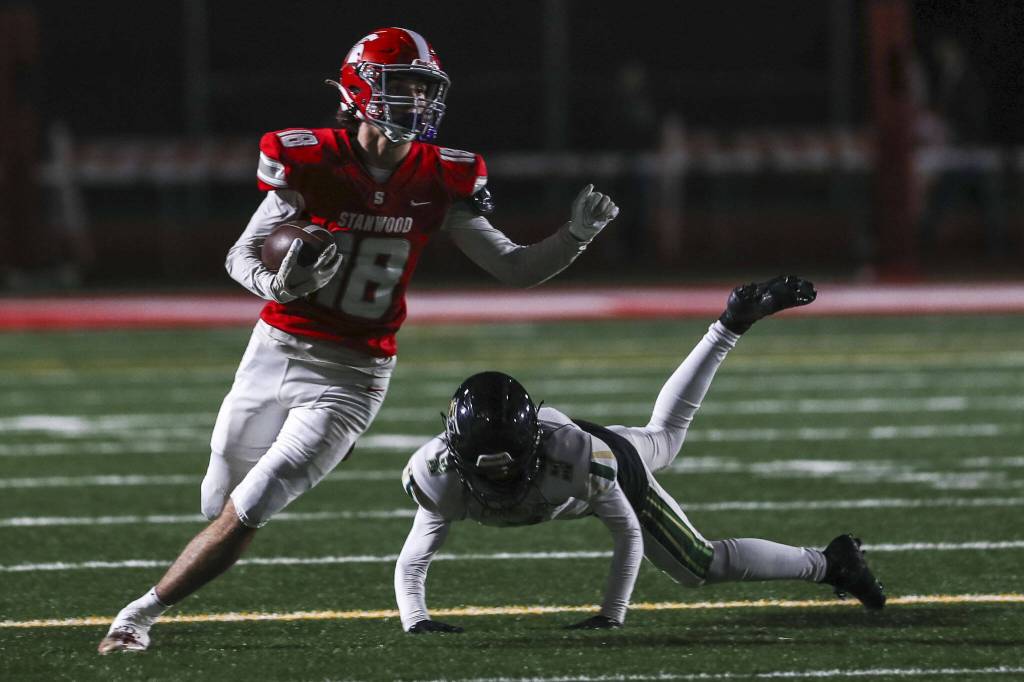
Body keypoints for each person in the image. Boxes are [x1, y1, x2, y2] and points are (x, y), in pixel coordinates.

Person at [97, 27, 619, 654]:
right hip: (275, 346)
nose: (417, 102)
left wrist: (575, 237)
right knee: (218, 498)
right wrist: (275, 283)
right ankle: (309, 458)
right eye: (402, 86)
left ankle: (137, 616)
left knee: (253, 504)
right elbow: (241, 253)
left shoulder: (443, 173)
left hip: (353, 373)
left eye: (426, 90)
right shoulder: (309, 158)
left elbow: (514, 267)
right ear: (358, 87)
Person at [394, 276, 886, 633]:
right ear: (454, 453)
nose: (499, 483)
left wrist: (611, 616)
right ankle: (729, 326)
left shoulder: (581, 461)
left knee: (699, 565)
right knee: (665, 438)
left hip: (609, 465)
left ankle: (829, 563)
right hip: (584, 460)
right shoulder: (437, 476)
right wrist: (416, 621)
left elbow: (627, 534)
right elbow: (413, 559)